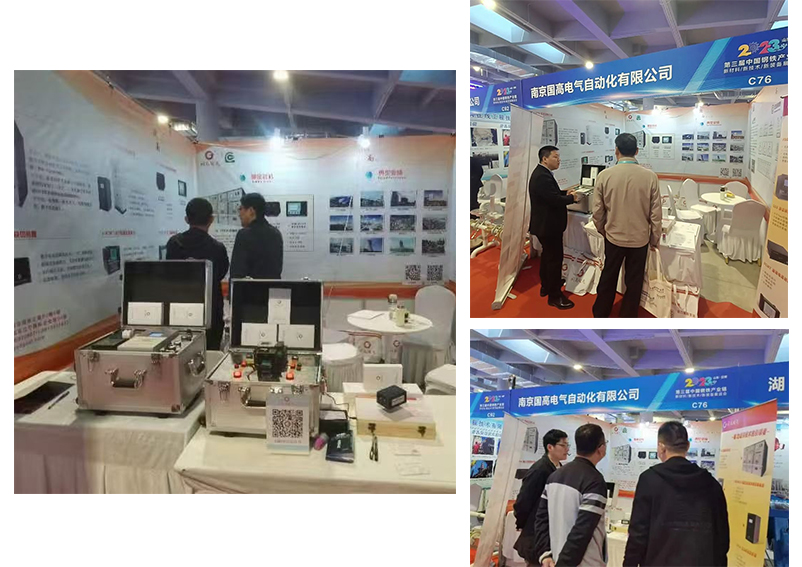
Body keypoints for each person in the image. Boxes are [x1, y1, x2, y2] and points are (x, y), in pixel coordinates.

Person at [623, 421, 729, 566]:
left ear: (661, 447)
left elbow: (638, 534)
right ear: (688, 446)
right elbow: (722, 538)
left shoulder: (649, 480)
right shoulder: (711, 484)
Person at [591, 133, 662, 318]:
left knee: (608, 276)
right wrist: (654, 238)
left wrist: (602, 229)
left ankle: (600, 313)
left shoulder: (604, 175)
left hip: (613, 237)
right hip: (640, 239)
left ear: (616, 150)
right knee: (634, 280)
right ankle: (628, 316)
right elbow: (656, 214)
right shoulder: (650, 177)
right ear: (637, 151)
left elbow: (597, 211)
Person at [534, 423, 608, 567]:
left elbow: (541, 518)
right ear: (601, 448)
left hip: (556, 558)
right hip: (584, 563)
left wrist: (545, 553)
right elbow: (582, 532)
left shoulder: (555, 476)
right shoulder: (594, 481)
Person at [165, 197, 229, 350]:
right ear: (211, 219)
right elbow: (220, 274)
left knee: (181, 352)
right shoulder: (218, 248)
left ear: (187, 219)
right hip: (210, 313)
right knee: (211, 355)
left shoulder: (174, 243)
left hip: (179, 311)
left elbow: (169, 273)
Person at [529, 145, 580, 310]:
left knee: (548, 257)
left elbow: (551, 194)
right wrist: (572, 198)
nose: (559, 160)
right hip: (548, 226)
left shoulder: (542, 173)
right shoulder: (542, 176)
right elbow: (554, 200)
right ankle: (555, 296)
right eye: (555, 157)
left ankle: (547, 285)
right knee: (554, 260)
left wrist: (565, 194)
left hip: (546, 225)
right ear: (545, 159)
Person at [513, 429, 570, 567]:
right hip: (536, 532)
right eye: (563, 445)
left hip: (551, 531)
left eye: (567, 445)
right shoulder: (540, 469)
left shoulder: (560, 469)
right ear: (550, 447)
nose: (567, 449)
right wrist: (522, 523)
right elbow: (524, 500)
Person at [230, 192, 283, 279]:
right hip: (272, 286)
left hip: (249, 287)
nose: (239, 213)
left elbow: (237, 272)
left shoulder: (244, 235)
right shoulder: (276, 234)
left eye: (241, 208)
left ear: (251, 211)